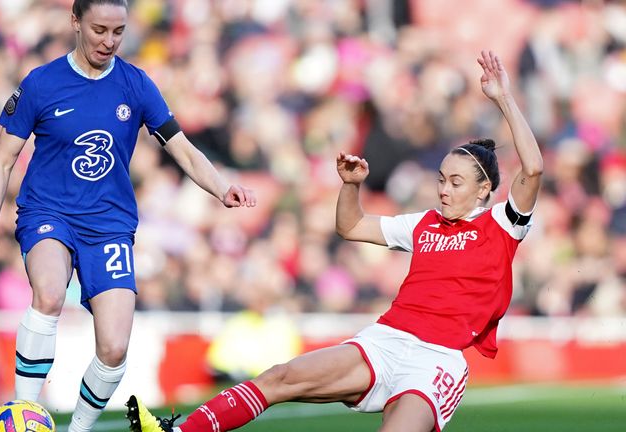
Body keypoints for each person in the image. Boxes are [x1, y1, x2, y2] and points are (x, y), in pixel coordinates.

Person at [125, 50, 542, 432]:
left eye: (455, 183)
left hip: (436, 361)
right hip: (386, 339)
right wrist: (350, 186)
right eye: (441, 180)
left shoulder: (503, 224)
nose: (444, 191)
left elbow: (534, 169)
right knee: (279, 378)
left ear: (484, 190)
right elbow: (352, 227)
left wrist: (503, 99)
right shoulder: (425, 224)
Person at [0, 1, 256, 431]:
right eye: (100, 29)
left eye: (118, 31)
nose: (109, 41)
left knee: (115, 347)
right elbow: (2, 160)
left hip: (109, 224)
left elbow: (184, 151)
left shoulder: (135, 85)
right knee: (48, 294)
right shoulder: (42, 84)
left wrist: (220, 187)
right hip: (49, 212)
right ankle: (23, 414)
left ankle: (78, 429)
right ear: (76, 22)